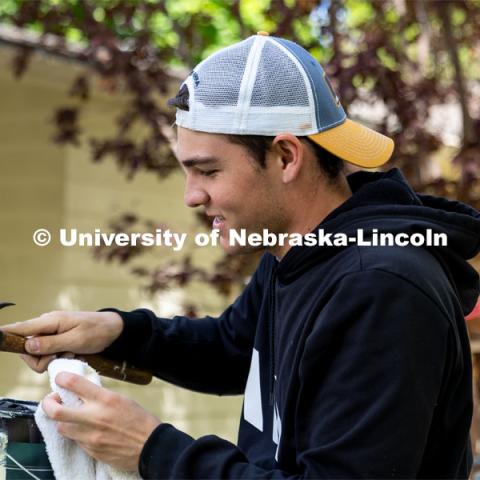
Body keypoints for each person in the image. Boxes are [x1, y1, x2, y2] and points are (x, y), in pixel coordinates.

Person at [4, 33, 480, 479]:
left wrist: (152, 449)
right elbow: (234, 349)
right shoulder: (301, 249)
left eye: (208, 171)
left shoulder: (382, 288)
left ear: (286, 157)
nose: (192, 197)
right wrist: (119, 332)